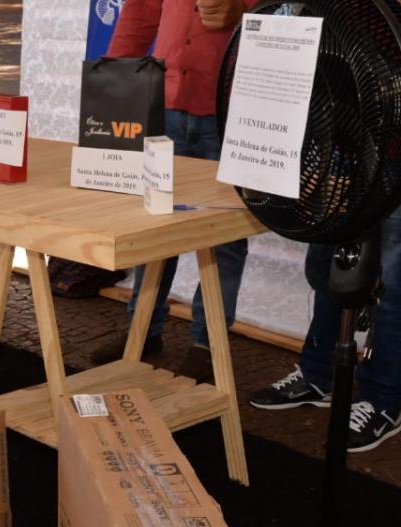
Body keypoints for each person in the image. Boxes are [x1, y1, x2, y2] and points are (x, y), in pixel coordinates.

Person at [88, 0, 255, 383]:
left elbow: (290, 11)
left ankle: (208, 345)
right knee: (155, 223)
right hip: (167, 101)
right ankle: (143, 329)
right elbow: (142, 10)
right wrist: (114, 80)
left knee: (225, 235)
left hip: (232, 108)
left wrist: (242, 8)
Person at [249, 210, 401, 453]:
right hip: (348, 188)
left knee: (392, 287)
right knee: (326, 266)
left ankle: (382, 401)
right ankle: (317, 376)